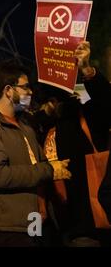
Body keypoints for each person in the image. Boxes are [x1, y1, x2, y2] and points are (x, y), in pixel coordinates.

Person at [0, 62, 71, 247]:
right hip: (10, 229)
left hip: (36, 222)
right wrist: (48, 170)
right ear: (8, 90)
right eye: (25, 87)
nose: (30, 92)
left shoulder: (24, 124)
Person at [32, 41, 111, 246]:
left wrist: (87, 69)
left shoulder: (87, 118)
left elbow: (107, 103)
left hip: (94, 227)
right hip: (61, 228)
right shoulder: (42, 129)